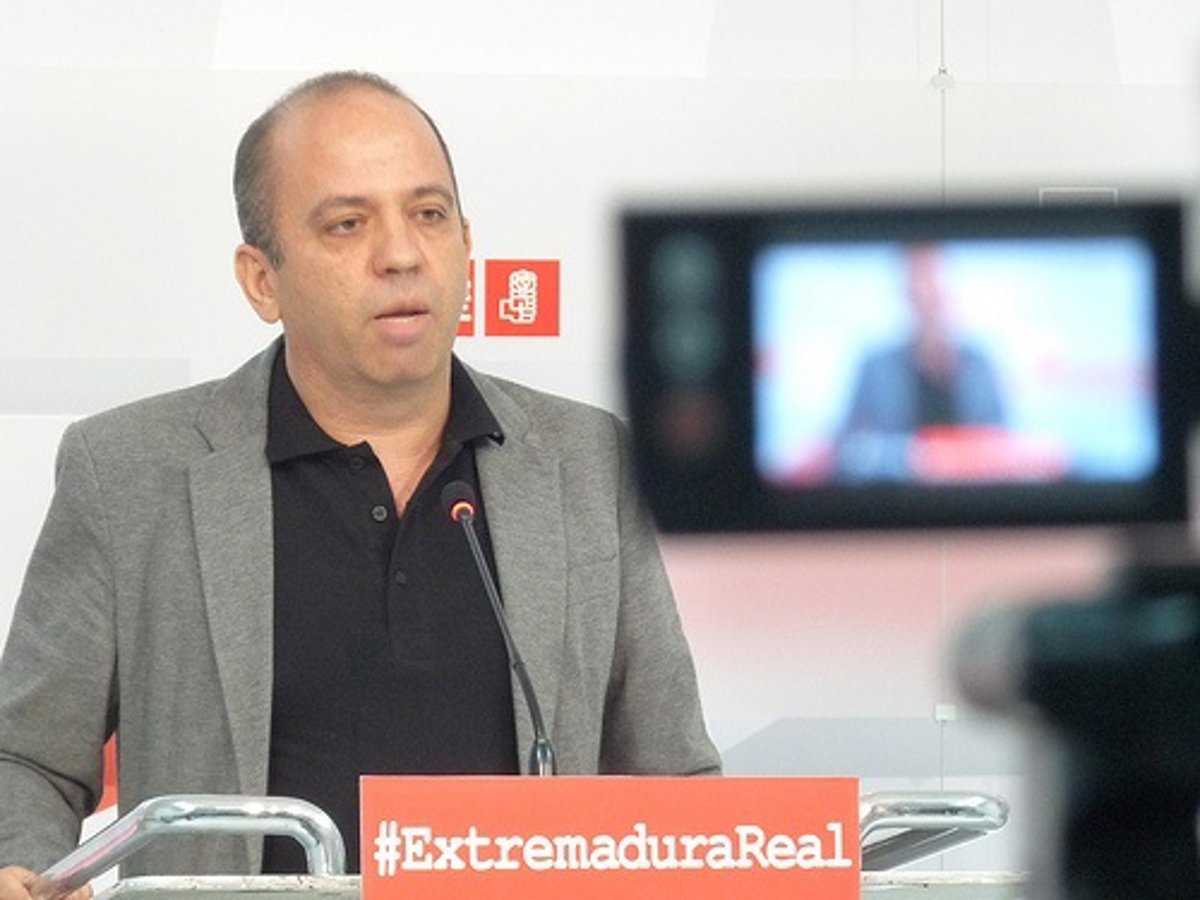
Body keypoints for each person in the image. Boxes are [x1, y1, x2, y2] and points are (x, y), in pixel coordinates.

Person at [0, 71, 720, 894]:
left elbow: (677, 780)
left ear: (466, 244)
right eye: (348, 224)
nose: (402, 255)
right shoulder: (129, 472)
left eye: (429, 214)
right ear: (262, 279)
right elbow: (26, 757)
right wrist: (21, 868)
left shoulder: (589, 464)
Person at [835, 243, 1007, 479]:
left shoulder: (979, 363)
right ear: (905, 291)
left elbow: (1002, 445)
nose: (925, 290)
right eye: (917, 278)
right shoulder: (875, 366)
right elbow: (849, 451)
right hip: (894, 497)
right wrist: (916, 457)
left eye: (932, 277)